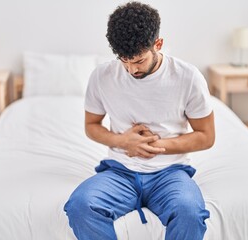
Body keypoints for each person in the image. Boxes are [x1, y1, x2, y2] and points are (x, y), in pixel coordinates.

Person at [64, 2, 215, 240]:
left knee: (190, 212)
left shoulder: (188, 77)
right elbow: (91, 126)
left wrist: (156, 146)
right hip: (120, 171)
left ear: (158, 44)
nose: (130, 69)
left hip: (170, 172)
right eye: (124, 60)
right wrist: (124, 142)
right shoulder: (102, 76)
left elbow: (206, 136)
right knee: (80, 206)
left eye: (138, 61)